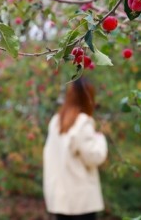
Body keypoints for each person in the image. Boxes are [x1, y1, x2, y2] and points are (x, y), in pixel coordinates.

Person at [43, 76, 108, 220]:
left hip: (60, 199)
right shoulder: (82, 122)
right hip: (81, 200)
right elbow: (94, 157)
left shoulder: (56, 121)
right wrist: (100, 139)